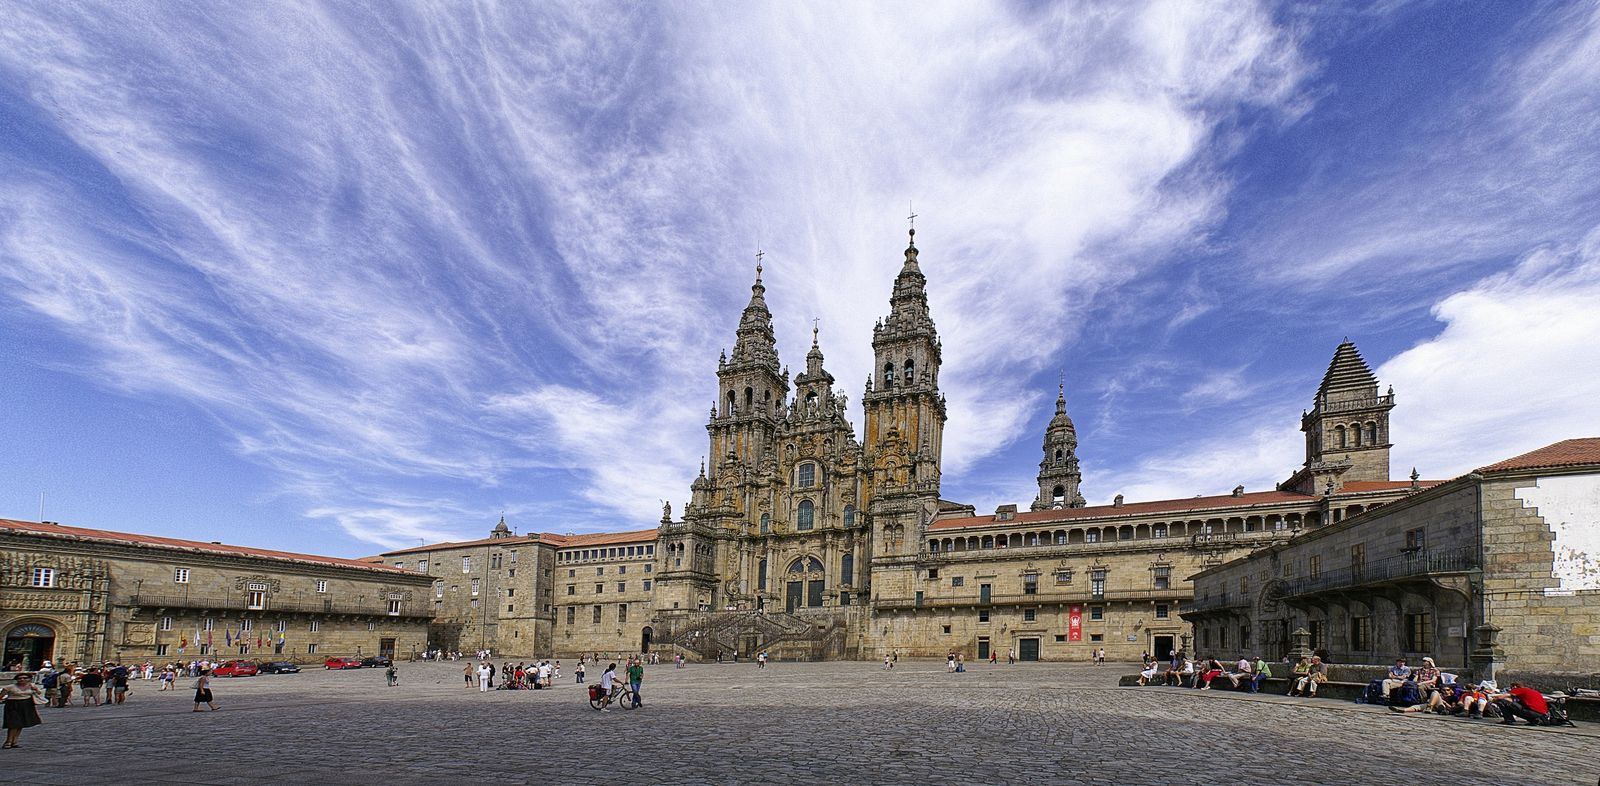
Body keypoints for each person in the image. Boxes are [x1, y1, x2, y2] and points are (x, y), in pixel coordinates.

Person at [1, 673, 44, 748]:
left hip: (26, 705)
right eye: (19, 678)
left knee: (21, 723)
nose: (22, 680)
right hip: (13, 705)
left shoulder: (31, 686)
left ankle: (14, 741)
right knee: (13, 724)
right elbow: (1, 696)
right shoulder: (10, 687)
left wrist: (36, 689)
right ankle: (8, 741)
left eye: (25, 678)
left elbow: (39, 694)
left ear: (29, 679)